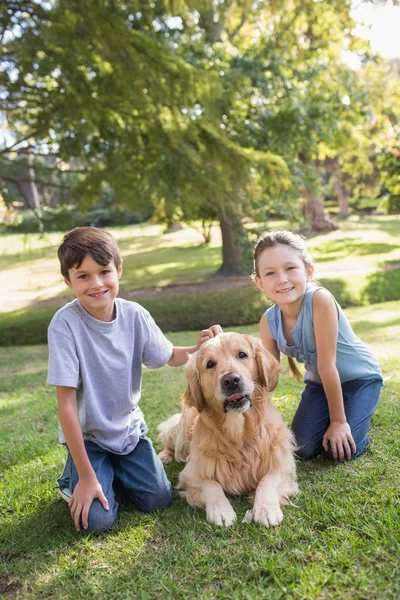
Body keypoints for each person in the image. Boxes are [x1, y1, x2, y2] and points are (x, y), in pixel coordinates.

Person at [47, 226, 221, 534]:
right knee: (96, 523)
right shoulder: (64, 325)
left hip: (127, 433)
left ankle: (113, 472)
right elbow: (66, 406)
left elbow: (169, 356)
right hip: (89, 439)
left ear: (119, 269)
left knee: (159, 498)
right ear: (68, 281)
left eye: (104, 271)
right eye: (83, 276)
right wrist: (88, 479)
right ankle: (74, 477)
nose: (96, 283)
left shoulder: (134, 315)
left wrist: (199, 347)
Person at [252, 230, 383, 461]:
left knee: (338, 451)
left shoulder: (319, 300)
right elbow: (268, 380)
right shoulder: (268, 321)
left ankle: (354, 417)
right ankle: (339, 415)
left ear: (308, 271)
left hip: (360, 379)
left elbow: (327, 366)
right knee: (302, 448)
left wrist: (339, 422)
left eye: (290, 268)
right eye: (270, 273)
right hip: (319, 385)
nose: (282, 279)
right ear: (259, 282)